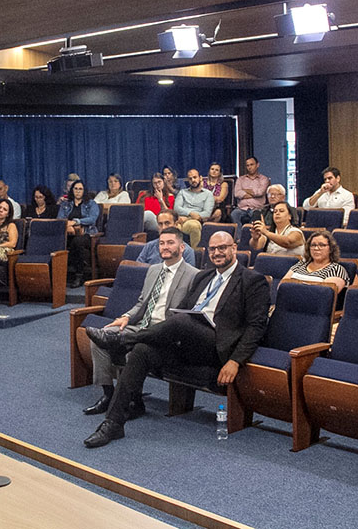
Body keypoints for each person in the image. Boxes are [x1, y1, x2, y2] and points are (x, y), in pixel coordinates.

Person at [82, 231, 270, 448]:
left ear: (234, 248)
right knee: (142, 350)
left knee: (180, 321)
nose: (217, 253)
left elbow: (256, 327)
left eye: (223, 248)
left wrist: (235, 361)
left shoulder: (252, 281)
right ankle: (113, 424)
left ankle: (123, 340)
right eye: (212, 249)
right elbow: (186, 310)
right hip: (186, 341)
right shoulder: (203, 277)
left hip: (216, 346)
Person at [82, 227, 199, 417]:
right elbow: (141, 303)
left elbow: (188, 314)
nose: (165, 247)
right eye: (162, 243)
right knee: (99, 340)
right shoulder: (153, 270)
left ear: (182, 246)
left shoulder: (193, 275)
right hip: (141, 324)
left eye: (170, 243)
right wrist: (126, 317)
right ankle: (109, 395)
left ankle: (134, 401)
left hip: (165, 331)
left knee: (131, 350)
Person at [58, 179, 101, 287]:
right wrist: (68, 225)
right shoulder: (65, 204)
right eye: (75, 189)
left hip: (87, 234)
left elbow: (92, 219)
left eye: (80, 189)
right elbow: (59, 218)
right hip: (68, 233)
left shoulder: (91, 203)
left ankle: (78, 274)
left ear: (84, 191)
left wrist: (76, 222)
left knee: (77, 242)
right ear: (72, 190)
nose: (77, 191)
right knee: (59, 241)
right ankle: (56, 276)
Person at [285, 230, 350, 290]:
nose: (316, 248)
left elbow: (325, 295)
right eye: (313, 245)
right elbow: (282, 286)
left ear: (330, 249)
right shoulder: (301, 264)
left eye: (321, 245)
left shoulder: (336, 269)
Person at [173, 168, 214, 247]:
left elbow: (207, 213)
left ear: (200, 178)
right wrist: (190, 213)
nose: (193, 180)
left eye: (195, 177)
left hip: (193, 221)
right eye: (190, 178)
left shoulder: (208, 194)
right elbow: (177, 208)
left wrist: (188, 217)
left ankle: (195, 254)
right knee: (168, 226)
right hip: (179, 220)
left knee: (194, 226)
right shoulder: (182, 192)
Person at [231, 156, 271, 226]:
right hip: (242, 208)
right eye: (247, 165)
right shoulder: (240, 179)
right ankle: (239, 237)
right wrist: (254, 194)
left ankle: (251, 236)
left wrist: (244, 190)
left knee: (256, 217)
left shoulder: (264, 179)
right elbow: (237, 193)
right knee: (234, 214)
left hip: (257, 208)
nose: (249, 167)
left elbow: (260, 192)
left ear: (257, 165)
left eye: (252, 164)